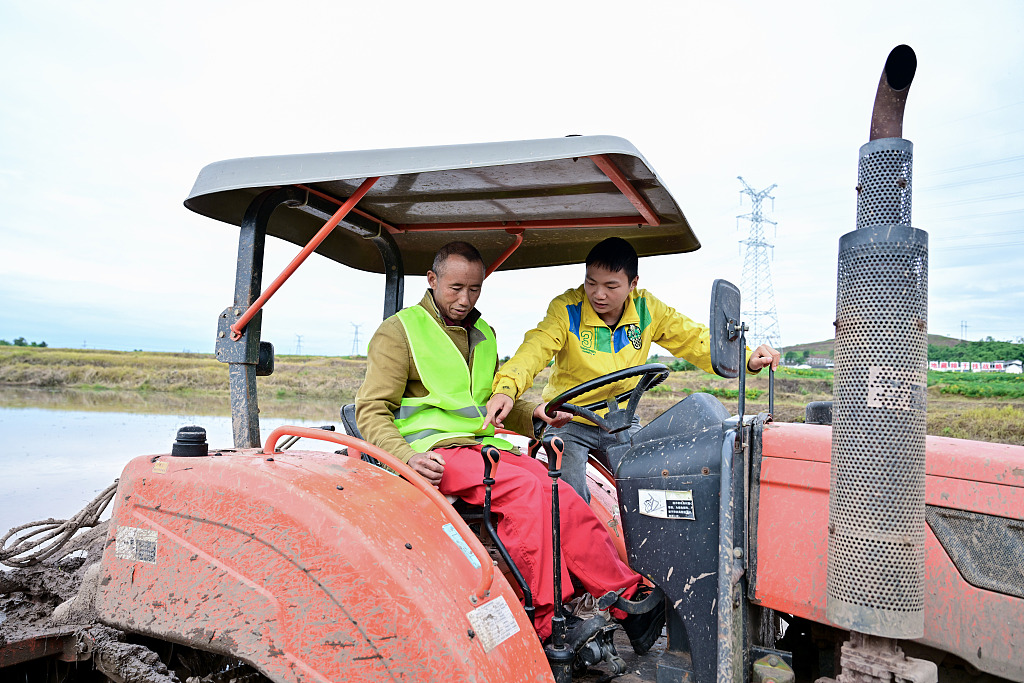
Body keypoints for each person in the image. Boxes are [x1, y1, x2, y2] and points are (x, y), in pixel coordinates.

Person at [355, 240, 665, 651]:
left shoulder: (483, 334)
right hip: (435, 454)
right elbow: (371, 409)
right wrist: (408, 456)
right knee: (526, 493)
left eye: (475, 289)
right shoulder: (400, 331)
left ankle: (629, 602)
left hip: (481, 447)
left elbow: (489, 404)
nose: (465, 299)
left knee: (560, 491)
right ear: (432, 281)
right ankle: (546, 619)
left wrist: (534, 416)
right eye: (455, 288)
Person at [485, 237, 780, 502]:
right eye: (591, 283)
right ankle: (569, 556)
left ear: (633, 282)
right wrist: (507, 388)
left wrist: (745, 358)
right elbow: (534, 350)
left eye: (611, 286)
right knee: (570, 495)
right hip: (570, 421)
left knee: (652, 485)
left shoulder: (647, 310)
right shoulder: (567, 309)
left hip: (622, 421)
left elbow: (693, 338)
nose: (598, 294)